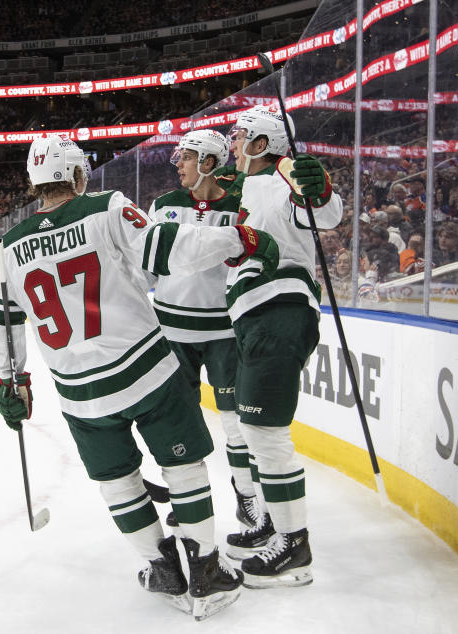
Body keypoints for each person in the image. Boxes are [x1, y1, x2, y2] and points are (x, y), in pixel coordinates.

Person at [0, 134, 277, 619]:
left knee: (117, 481)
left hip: (81, 395)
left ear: (33, 183)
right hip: (146, 370)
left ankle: (159, 566)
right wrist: (236, 238)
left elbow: (2, 322)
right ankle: (205, 569)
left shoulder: (6, 248)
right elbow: (169, 248)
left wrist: (9, 380)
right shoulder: (106, 208)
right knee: (182, 468)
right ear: (77, 176)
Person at [224, 104, 343, 588]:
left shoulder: (282, 176)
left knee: (265, 434)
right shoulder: (245, 187)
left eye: (239, 136)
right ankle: (277, 524)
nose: (231, 143)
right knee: (256, 433)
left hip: (280, 313)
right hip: (255, 319)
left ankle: (294, 547)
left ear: (260, 143)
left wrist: (320, 188)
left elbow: (324, 213)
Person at [147, 129, 259, 529]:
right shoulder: (163, 204)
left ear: (209, 163)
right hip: (173, 332)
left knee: (235, 420)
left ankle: (247, 494)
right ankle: (188, 495)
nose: (177, 164)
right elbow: (146, 264)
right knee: (183, 421)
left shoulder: (241, 206)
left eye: (186, 158)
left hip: (224, 332)